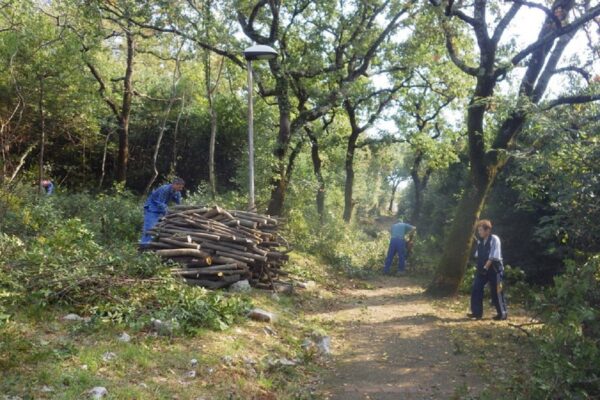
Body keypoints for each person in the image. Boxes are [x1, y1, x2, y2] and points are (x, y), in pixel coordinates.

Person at [468, 219, 508, 321]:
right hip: (482, 270)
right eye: (479, 230)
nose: (479, 232)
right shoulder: (480, 241)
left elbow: (493, 256)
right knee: (476, 288)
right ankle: (476, 313)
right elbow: (478, 255)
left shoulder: (494, 239)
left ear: (488, 230)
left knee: (497, 291)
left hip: (494, 270)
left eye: (481, 230)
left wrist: (485, 267)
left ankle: (502, 313)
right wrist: (480, 268)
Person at [140, 178, 184, 246]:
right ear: (174, 184)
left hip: (160, 210)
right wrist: (168, 212)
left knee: (161, 229)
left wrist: (181, 211)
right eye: (179, 187)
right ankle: (143, 247)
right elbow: (160, 203)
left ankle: (152, 246)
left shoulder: (176, 192)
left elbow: (179, 204)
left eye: (182, 187)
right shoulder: (164, 189)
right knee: (150, 228)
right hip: (152, 209)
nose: (181, 189)